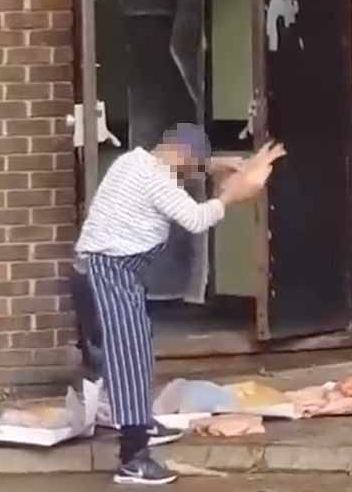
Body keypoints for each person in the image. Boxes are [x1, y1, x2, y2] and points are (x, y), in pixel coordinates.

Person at [74, 123, 285, 485]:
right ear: (182, 155)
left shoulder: (134, 162)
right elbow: (196, 218)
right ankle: (133, 457)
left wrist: (219, 164)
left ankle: (138, 421)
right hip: (108, 270)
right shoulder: (158, 181)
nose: (192, 175)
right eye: (193, 166)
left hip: (100, 268)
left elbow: (186, 165)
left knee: (133, 350)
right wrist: (233, 194)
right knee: (129, 356)